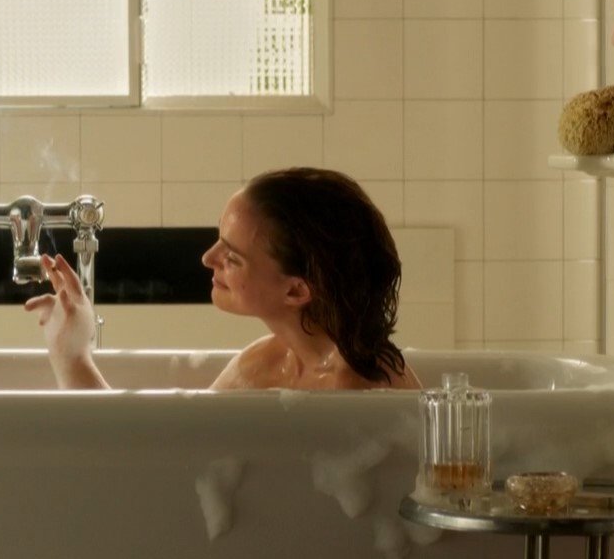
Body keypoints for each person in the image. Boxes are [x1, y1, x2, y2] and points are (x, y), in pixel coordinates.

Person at [27, 167, 424, 392]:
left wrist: (73, 358)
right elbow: (160, 459)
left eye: (232, 257)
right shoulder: (267, 362)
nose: (207, 258)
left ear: (296, 290)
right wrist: (70, 352)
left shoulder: (358, 390)